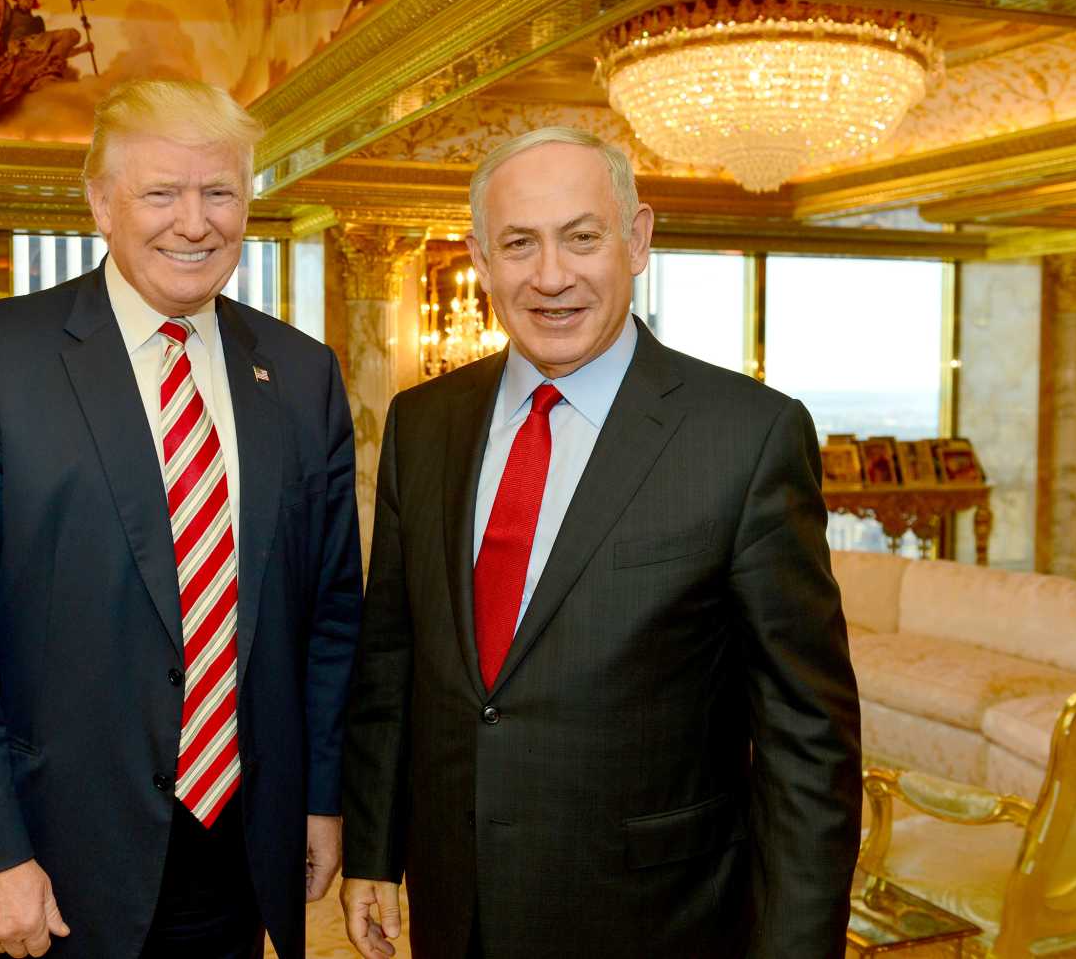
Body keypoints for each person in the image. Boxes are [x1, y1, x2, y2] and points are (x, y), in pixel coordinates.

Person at [339, 127, 862, 959]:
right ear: (480, 259)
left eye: (582, 238)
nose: (551, 277)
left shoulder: (746, 436)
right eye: (519, 244)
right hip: (457, 902)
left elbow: (807, 740)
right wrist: (373, 850)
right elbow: (392, 660)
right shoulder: (423, 422)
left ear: (637, 240)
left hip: (657, 916)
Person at [0, 78, 363, 959]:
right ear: (102, 202)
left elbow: (331, 614)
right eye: (161, 193)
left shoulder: (302, 374)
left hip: (237, 844)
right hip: (49, 850)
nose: (195, 223)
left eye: (219, 192)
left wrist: (321, 797)